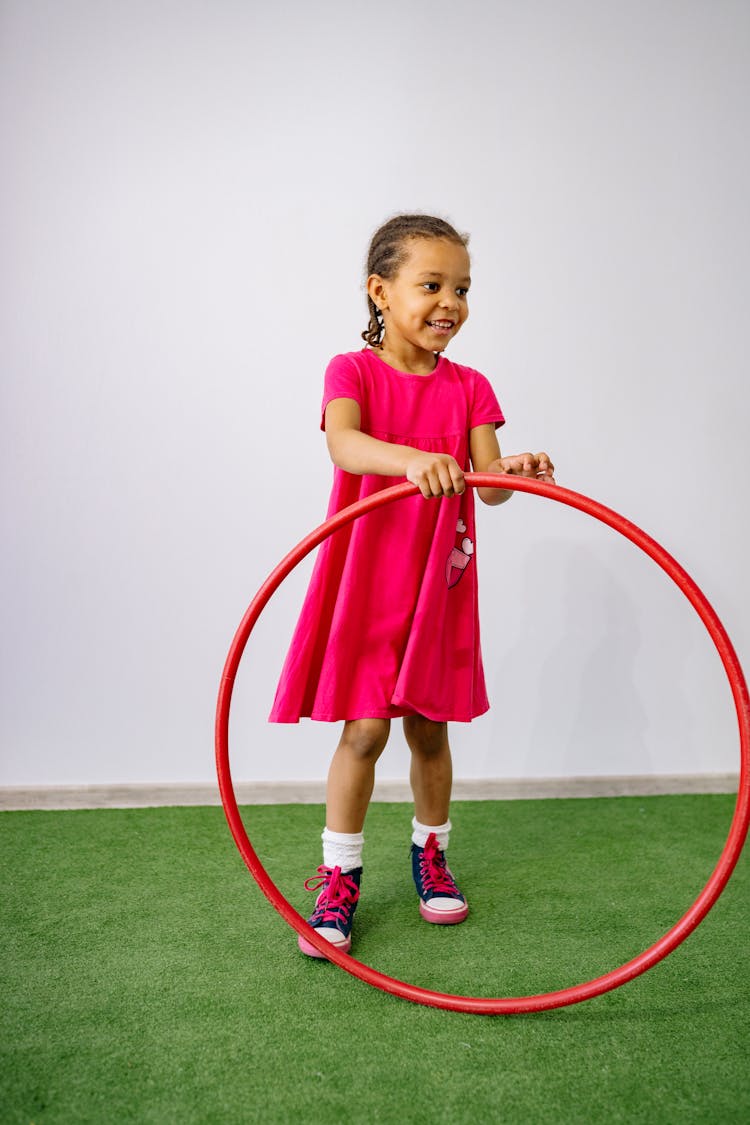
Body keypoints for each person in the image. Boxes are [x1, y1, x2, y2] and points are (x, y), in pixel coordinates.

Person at [269, 213, 554, 958]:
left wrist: (511, 473)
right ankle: (340, 879)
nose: (450, 303)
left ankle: (431, 856)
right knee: (364, 728)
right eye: (432, 284)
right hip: (367, 574)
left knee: (429, 723)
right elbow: (346, 442)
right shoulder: (351, 372)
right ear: (380, 291)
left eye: (461, 288)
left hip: (439, 579)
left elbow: (486, 486)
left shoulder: (470, 388)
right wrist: (410, 462)